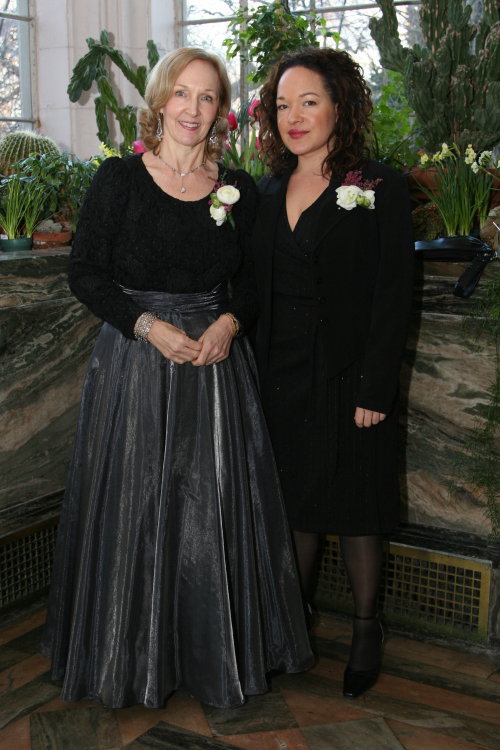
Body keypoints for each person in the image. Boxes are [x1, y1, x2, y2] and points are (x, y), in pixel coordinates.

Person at [40, 47, 314, 710]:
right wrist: (147, 326)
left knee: (207, 514)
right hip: (135, 366)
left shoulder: (237, 190)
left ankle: (211, 654)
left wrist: (230, 324)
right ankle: (127, 657)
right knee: (135, 509)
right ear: (161, 99)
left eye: (208, 96)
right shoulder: (119, 179)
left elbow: (253, 284)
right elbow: (85, 273)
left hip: (214, 373)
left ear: (221, 110)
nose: (193, 108)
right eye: (182, 93)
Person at [252, 47, 414, 699]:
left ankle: (367, 631)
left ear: (339, 107)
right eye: (282, 105)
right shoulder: (263, 190)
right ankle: (293, 630)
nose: (293, 117)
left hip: (351, 376)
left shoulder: (378, 185)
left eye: (308, 102)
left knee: (355, 508)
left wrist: (376, 386)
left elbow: (393, 295)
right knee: (294, 507)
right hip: (280, 373)